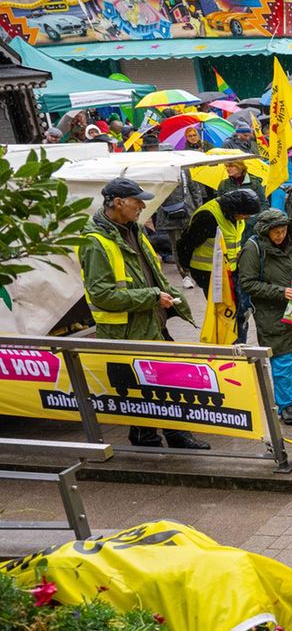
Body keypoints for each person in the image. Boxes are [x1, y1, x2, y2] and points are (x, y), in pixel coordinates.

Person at [76, 178, 208, 450]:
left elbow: (153, 275)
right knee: (140, 388)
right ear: (118, 202)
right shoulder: (95, 242)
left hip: (152, 322)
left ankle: (171, 435)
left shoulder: (134, 230)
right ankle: (148, 437)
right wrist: (151, 297)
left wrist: (173, 295)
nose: (142, 205)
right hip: (125, 330)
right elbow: (101, 294)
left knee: (165, 381)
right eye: (137, 200)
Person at [236, 208, 292, 426]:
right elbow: (247, 283)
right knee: (282, 357)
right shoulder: (253, 249)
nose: (280, 236)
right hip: (271, 313)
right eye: (276, 232)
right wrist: (280, 292)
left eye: (283, 231)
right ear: (266, 231)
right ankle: (285, 405)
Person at [178, 188, 260, 297]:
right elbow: (186, 243)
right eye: (246, 215)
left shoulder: (236, 215)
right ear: (236, 209)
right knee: (222, 310)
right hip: (209, 272)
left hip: (230, 270)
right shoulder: (208, 216)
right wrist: (187, 268)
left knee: (233, 307)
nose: (247, 218)